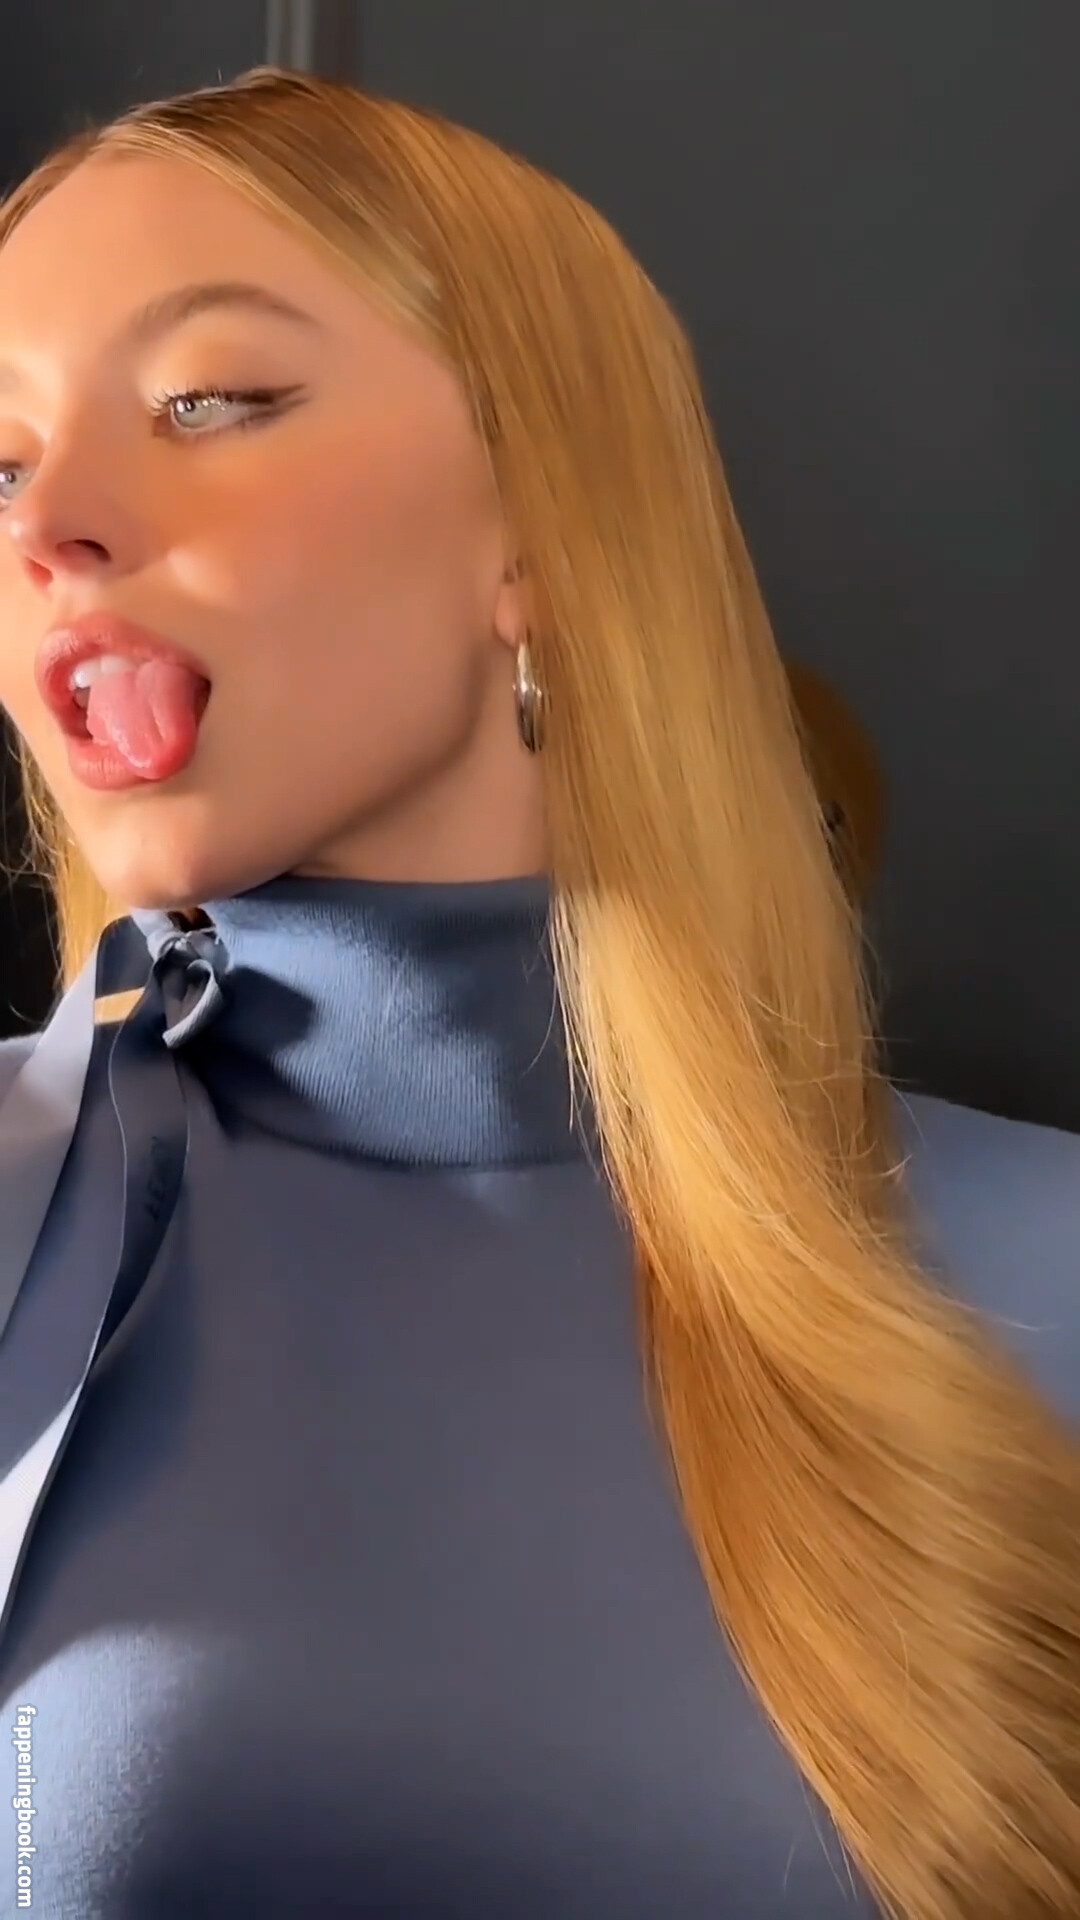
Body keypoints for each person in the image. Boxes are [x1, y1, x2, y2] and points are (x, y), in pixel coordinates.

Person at [0, 66, 1077, 1920]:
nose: (53, 528)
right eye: (0, 462)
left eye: (211, 400)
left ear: (540, 528)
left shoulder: (1042, 1264)